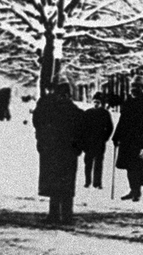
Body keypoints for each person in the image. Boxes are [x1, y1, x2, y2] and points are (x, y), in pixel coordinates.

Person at [33, 82, 84, 225]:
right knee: (67, 184)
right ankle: (66, 215)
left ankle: (54, 214)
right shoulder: (74, 111)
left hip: (53, 152)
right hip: (68, 153)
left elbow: (39, 123)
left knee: (54, 183)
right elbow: (82, 131)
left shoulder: (49, 109)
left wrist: (42, 143)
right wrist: (78, 148)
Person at [113, 82, 143, 202]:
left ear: (142, 89)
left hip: (141, 138)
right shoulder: (128, 102)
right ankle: (134, 190)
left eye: (137, 88)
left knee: (138, 165)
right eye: (132, 88)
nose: (134, 90)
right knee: (129, 166)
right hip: (127, 138)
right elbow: (122, 121)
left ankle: (140, 190)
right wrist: (116, 136)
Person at [79, 93, 114, 190]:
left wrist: (105, 138)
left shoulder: (105, 114)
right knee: (88, 163)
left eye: (98, 102)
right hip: (88, 143)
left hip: (100, 142)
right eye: (95, 102)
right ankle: (87, 182)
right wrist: (83, 140)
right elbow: (81, 128)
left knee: (98, 163)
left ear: (101, 103)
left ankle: (97, 182)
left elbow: (110, 127)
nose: (96, 104)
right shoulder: (87, 113)